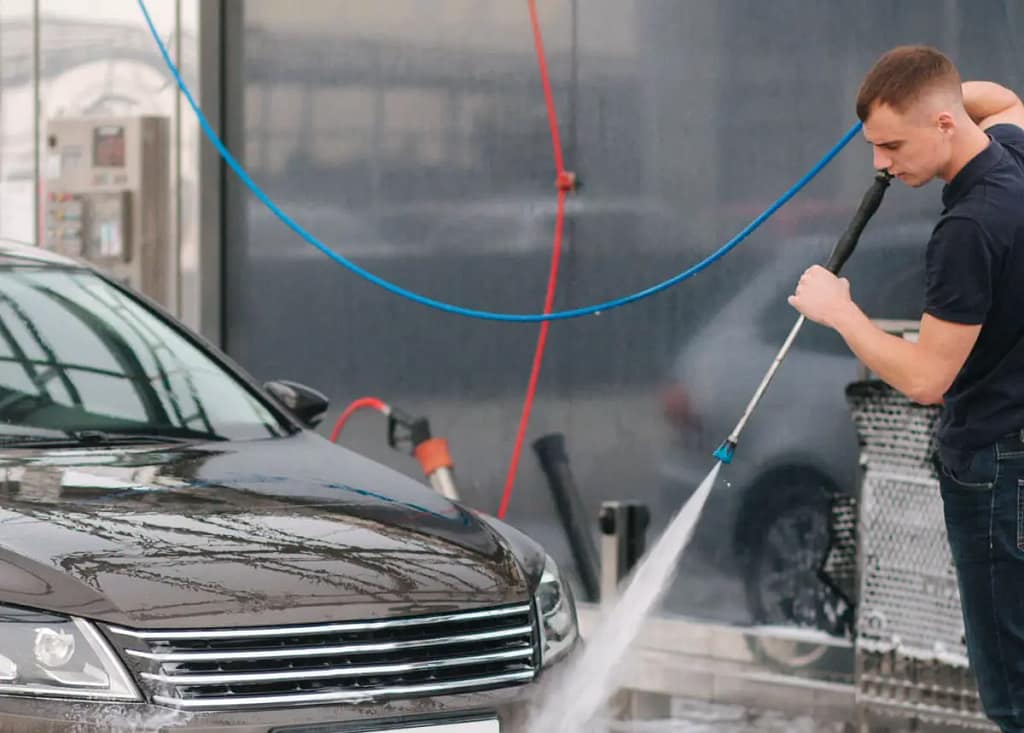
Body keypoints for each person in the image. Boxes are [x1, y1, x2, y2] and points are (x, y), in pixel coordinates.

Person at [788, 45, 1024, 732]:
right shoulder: (1012, 154)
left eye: (892, 145)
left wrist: (842, 312)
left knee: (1013, 692)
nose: (881, 165)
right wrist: (929, 95)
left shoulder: (967, 231)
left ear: (946, 125)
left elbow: (925, 379)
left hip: (995, 472)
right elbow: (1003, 96)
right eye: (872, 146)